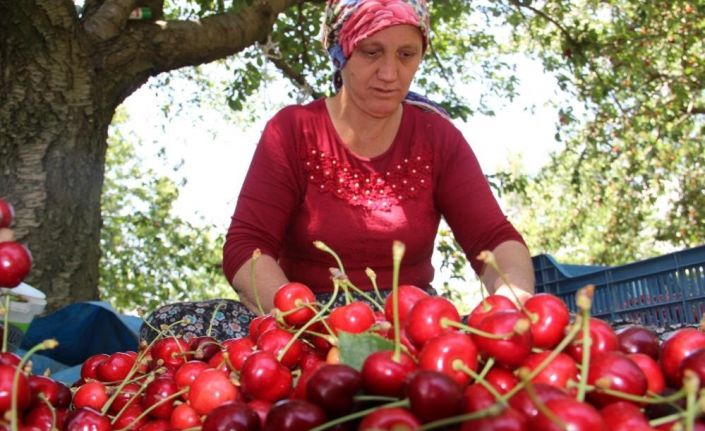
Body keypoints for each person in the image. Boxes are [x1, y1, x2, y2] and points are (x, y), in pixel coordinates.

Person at [140, 0, 535, 342]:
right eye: (371, 52)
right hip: (302, 314)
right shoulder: (293, 131)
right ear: (342, 51)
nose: (389, 73)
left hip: (406, 325)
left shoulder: (437, 137)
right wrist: (301, 322)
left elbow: (493, 238)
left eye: (406, 54)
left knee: (547, 327)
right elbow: (247, 246)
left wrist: (513, 304)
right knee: (170, 328)